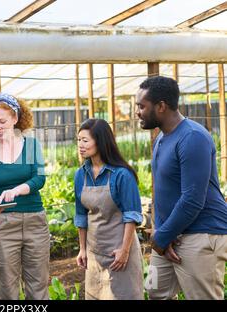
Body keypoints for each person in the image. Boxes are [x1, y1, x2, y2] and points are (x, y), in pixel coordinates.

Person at [136, 76, 227, 300]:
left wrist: (161, 237)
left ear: (161, 106)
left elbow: (192, 198)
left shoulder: (193, 137)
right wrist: (163, 234)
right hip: (168, 238)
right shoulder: (161, 138)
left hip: (200, 235)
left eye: (141, 106)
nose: (137, 111)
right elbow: (163, 192)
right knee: (155, 292)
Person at [0, 93, 49, 300]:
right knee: (6, 288)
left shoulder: (31, 145)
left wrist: (17, 190)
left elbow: (39, 179)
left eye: (2, 121)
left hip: (35, 221)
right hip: (2, 225)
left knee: (39, 285)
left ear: (15, 118)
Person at [74, 118, 144, 300]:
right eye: (78, 140)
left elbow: (132, 216)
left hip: (119, 253)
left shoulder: (121, 175)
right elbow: (81, 215)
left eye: (85, 140)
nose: (80, 145)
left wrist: (124, 251)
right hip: (94, 254)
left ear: (101, 141)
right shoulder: (81, 175)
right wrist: (82, 249)